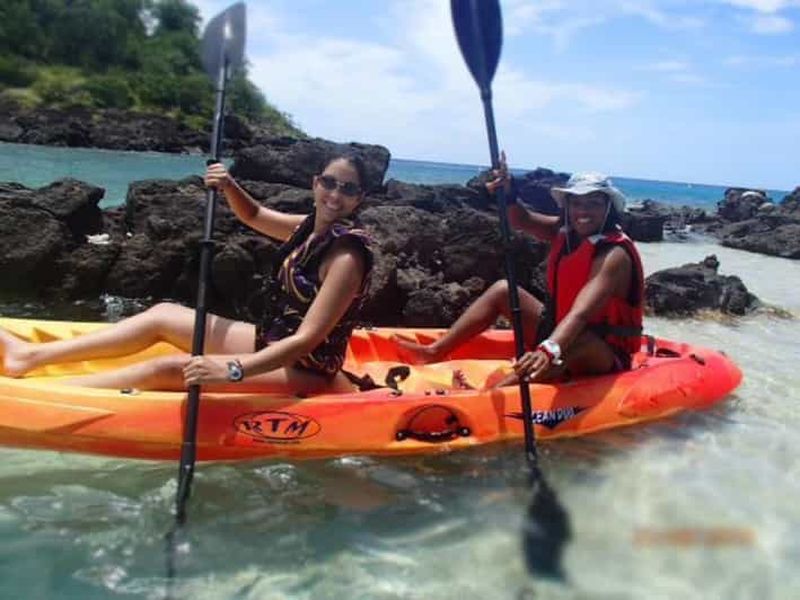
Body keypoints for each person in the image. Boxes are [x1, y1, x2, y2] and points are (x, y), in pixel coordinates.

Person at [0, 154, 373, 395]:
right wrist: (228, 185)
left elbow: (306, 341)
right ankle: (29, 357)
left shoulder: (345, 257)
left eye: (348, 188)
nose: (335, 194)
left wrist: (232, 370)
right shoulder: (308, 228)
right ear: (315, 183)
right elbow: (255, 216)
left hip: (307, 371)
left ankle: (44, 396)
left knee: (172, 369)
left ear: (359, 198)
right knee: (162, 314)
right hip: (270, 344)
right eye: (329, 182)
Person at [396, 152, 644, 387]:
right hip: (558, 332)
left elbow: (581, 313)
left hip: (602, 350)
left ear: (609, 207)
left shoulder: (615, 254)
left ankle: (490, 395)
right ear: (567, 206)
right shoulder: (567, 232)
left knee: (580, 339)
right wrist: (509, 192)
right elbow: (521, 220)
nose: (583, 211)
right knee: (503, 290)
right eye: (576, 202)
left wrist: (549, 348)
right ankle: (434, 352)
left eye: (594, 203)